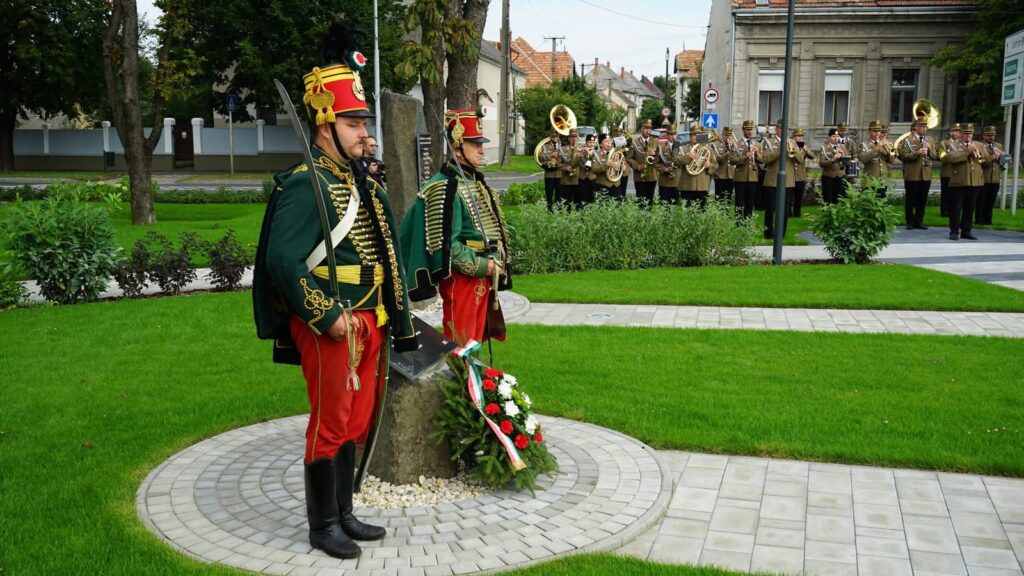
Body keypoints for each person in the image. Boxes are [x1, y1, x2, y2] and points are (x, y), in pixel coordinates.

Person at [252, 22, 418, 560]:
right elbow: (283, 260)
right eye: (353, 121)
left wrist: (387, 314)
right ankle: (322, 525)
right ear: (325, 124)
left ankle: (345, 511)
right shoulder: (308, 183)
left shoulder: (354, 182)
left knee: (358, 420)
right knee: (329, 423)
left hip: (369, 322)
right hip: (333, 326)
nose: (362, 130)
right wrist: (326, 315)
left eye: (363, 121)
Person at [400, 108, 512, 344]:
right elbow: (447, 246)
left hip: (483, 274)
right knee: (461, 340)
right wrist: (484, 266)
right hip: (463, 279)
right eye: (475, 144)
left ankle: (472, 380)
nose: (482, 149)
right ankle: (460, 379)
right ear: (457, 147)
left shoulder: (473, 180)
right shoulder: (445, 187)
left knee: (475, 340)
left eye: (481, 143)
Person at [940, 122, 984, 240]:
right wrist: (966, 153)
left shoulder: (979, 145)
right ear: (960, 134)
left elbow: (985, 160)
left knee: (970, 208)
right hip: (958, 181)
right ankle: (954, 231)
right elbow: (948, 158)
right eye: (965, 134)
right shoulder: (953, 145)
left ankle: (967, 231)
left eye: (970, 134)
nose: (968, 136)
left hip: (974, 181)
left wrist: (980, 155)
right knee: (956, 208)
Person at [897, 118, 938, 230]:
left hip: (926, 174)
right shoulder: (907, 140)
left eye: (925, 126)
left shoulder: (930, 140)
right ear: (915, 127)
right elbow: (902, 156)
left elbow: (936, 156)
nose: (923, 128)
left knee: (922, 200)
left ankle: (919, 221)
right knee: (911, 199)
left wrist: (929, 150)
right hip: (912, 174)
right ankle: (909, 222)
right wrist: (917, 153)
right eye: (921, 126)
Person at [758, 122, 797, 238]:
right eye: (782, 128)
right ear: (777, 129)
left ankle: (781, 233)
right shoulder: (769, 142)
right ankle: (768, 233)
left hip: (788, 181)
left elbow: (800, 160)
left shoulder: (792, 142)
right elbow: (763, 158)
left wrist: (795, 152)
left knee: (785, 211)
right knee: (770, 209)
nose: (785, 130)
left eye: (787, 128)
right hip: (772, 180)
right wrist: (778, 151)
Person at [678, 123, 715, 207]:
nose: (696, 137)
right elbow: (676, 160)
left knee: (702, 213)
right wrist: (688, 157)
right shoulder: (683, 148)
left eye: (698, 135)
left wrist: (709, 166)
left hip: (702, 186)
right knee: (687, 214)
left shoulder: (707, 149)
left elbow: (715, 165)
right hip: (687, 186)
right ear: (690, 136)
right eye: (694, 134)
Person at [732, 120, 759, 221]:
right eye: (747, 129)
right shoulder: (737, 144)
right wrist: (745, 157)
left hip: (752, 177)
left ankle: (748, 222)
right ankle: (738, 223)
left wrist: (756, 154)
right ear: (743, 130)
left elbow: (762, 160)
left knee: (750, 202)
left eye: (751, 129)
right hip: (740, 178)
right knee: (739, 202)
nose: (749, 132)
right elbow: (732, 160)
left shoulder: (756, 144)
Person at [977, 126, 1004, 225]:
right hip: (984, 177)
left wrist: (1002, 156)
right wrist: (992, 157)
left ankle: (988, 219)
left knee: (991, 200)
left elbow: (1003, 162)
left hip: (995, 177)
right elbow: (981, 161)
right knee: (981, 200)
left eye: (993, 135)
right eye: (988, 135)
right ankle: (979, 219)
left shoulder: (999, 146)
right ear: (984, 136)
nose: (991, 137)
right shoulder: (980, 146)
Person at [859, 120, 892, 197]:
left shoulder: (884, 144)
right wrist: (876, 149)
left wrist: (889, 149)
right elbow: (863, 159)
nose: (877, 133)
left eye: (879, 131)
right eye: (874, 131)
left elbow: (891, 160)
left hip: (882, 181)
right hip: (870, 180)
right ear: (869, 131)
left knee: (881, 204)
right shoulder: (864, 144)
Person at [629, 119, 658, 205]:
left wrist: (654, 154)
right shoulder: (635, 142)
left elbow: (661, 158)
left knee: (650, 201)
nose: (648, 130)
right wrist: (636, 166)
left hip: (652, 176)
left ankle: (648, 218)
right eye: (646, 128)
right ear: (641, 129)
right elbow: (629, 158)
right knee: (640, 202)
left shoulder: (656, 141)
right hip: (639, 177)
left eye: (650, 128)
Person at [819, 128, 848, 205]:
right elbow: (821, 163)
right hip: (829, 176)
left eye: (837, 136)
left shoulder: (842, 147)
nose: (836, 138)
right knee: (828, 198)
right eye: (833, 136)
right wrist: (832, 160)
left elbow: (848, 161)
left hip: (840, 176)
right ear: (829, 137)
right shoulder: (824, 148)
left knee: (839, 198)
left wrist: (843, 156)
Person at [938, 124, 961, 217]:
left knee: (956, 194)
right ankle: (944, 211)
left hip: (959, 172)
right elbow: (942, 157)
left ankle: (954, 210)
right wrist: (955, 157)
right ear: (950, 132)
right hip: (947, 172)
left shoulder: (962, 144)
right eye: (953, 131)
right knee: (946, 193)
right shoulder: (944, 143)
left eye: (957, 131)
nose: (955, 133)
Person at [790, 128, 814, 217]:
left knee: (799, 196)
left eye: (801, 136)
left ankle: (797, 213)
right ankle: (788, 212)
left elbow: (812, 156)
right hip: (791, 174)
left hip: (800, 175)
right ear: (793, 137)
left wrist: (805, 149)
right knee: (789, 196)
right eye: (797, 136)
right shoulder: (790, 145)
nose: (799, 138)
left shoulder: (805, 147)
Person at [537, 128, 562, 211]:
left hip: (559, 174)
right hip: (549, 175)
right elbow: (541, 157)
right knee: (549, 194)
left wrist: (557, 158)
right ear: (550, 136)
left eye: (556, 136)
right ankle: (549, 210)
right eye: (552, 136)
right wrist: (551, 155)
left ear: (558, 136)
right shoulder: (545, 147)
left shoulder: (562, 147)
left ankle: (559, 210)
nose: (554, 137)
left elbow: (565, 158)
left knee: (559, 194)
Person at [558, 128, 583, 208]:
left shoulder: (582, 149)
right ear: (568, 138)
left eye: (575, 137)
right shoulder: (562, 149)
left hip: (578, 180)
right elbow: (557, 163)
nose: (573, 139)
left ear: (578, 138)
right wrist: (565, 167)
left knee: (578, 205)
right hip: (566, 181)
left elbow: (586, 164)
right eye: (571, 137)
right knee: (566, 205)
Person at [656, 125, 680, 204]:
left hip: (677, 181)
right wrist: (664, 169)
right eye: (670, 134)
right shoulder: (661, 147)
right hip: (664, 182)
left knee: (675, 207)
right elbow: (655, 163)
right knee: (664, 206)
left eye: (674, 134)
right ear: (667, 135)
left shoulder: (681, 147)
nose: (672, 136)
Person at [711, 126, 736, 202]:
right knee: (719, 199)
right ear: (723, 135)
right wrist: (725, 154)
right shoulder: (716, 145)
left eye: (729, 135)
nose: (728, 137)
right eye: (726, 135)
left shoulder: (734, 145)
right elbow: (715, 159)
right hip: (720, 175)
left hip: (731, 175)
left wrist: (733, 149)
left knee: (728, 199)